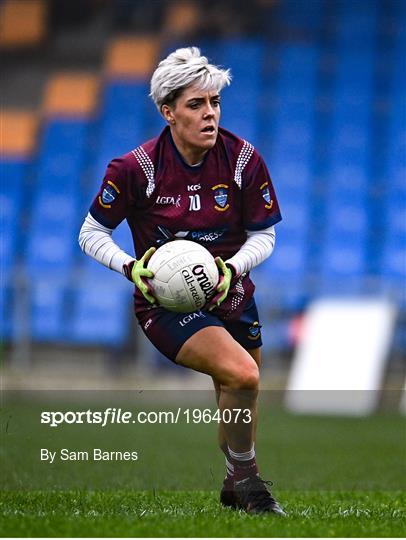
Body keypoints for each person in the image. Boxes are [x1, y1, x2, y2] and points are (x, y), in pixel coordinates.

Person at [79, 47, 285, 515]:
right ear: (167, 111)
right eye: (196, 105)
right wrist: (132, 268)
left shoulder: (242, 160)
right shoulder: (136, 170)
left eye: (214, 102)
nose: (209, 114)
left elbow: (264, 235)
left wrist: (231, 270)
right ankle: (251, 486)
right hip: (167, 304)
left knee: (240, 396)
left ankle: (235, 481)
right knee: (244, 373)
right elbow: (91, 234)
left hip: (231, 295)